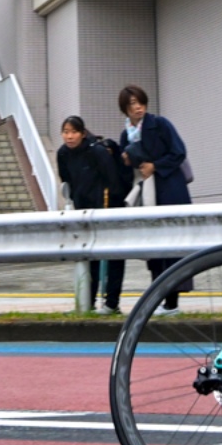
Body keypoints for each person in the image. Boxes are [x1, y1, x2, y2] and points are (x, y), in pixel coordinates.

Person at [119, 86, 193, 309]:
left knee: (173, 243)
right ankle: (160, 298)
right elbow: (127, 170)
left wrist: (156, 166)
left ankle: (172, 302)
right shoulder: (126, 134)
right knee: (154, 248)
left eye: (140, 102)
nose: (138, 107)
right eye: (132, 104)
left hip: (170, 188)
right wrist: (126, 161)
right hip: (147, 193)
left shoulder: (160, 124)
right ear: (125, 109)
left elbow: (179, 152)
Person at [56, 116, 128, 311]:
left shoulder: (97, 151)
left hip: (107, 208)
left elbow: (113, 182)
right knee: (88, 256)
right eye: (66, 132)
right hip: (83, 211)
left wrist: (110, 207)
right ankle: (88, 302)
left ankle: (112, 303)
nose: (69, 136)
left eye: (74, 132)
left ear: (82, 133)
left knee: (114, 256)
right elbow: (67, 181)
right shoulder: (62, 154)